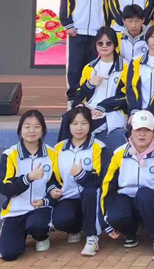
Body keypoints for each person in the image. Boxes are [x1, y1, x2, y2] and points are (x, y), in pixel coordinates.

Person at [101, 110, 154, 262]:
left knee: (144, 194)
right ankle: (131, 232)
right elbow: (107, 185)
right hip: (125, 196)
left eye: (147, 130)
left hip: (150, 199)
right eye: (138, 129)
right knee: (115, 216)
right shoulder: (119, 153)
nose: (142, 134)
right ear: (131, 131)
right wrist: (105, 217)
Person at [0, 110, 59, 261]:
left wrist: (51, 194)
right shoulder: (10, 155)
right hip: (15, 210)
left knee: (38, 225)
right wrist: (28, 178)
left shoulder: (52, 154)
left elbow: (55, 181)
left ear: (43, 130)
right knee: (8, 254)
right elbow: (4, 188)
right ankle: (18, 233)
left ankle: (42, 236)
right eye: (27, 126)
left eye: (37, 127)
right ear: (20, 130)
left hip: (40, 208)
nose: (32, 131)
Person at [61, 26, 128, 151]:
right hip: (89, 109)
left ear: (115, 44)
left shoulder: (126, 67)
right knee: (67, 119)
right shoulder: (89, 67)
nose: (104, 46)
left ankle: (77, 155)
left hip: (111, 112)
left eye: (108, 43)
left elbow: (127, 97)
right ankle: (61, 155)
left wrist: (102, 107)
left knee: (82, 127)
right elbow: (79, 95)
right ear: (96, 45)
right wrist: (89, 84)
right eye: (100, 43)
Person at [52, 107, 107, 257]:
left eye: (84, 123)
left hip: (91, 197)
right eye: (75, 123)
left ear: (90, 124)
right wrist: (53, 189)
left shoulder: (98, 147)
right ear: (68, 125)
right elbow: (53, 177)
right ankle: (74, 229)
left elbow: (101, 179)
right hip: (68, 196)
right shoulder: (59, 148)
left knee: (90, 192)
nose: (79, 128)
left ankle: (92, 237)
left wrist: (81, 174)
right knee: (61, 220)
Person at [59, 0, 109, 105]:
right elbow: (66, 0)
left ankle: (87, 98)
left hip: (96, 32)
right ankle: (73, 99)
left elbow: (105, 4)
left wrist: (104, 28)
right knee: (74, 67)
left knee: (91, 66)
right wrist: (68, 24)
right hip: (77, 30)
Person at [106, 24, 154, 132]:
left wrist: (148, 113)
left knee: (147, 130)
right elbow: (132, 87)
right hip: (138, 109)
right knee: (132, 131)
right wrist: (135, 110)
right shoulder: (136, 61)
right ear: (147, 39)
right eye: (152, 36)